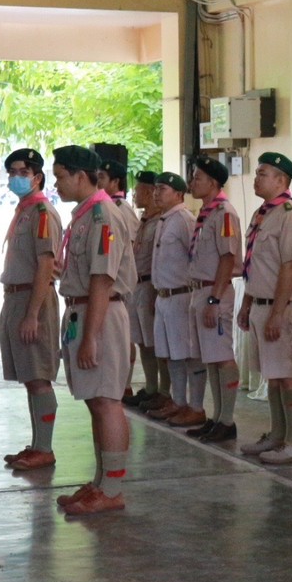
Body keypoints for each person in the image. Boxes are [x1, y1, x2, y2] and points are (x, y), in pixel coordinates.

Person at [50, 145, 132, 517]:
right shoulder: (84, 214)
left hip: (101, 314)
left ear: (81, 176)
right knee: (95, 401)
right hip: (83, 311)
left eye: (60, 176)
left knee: (107, 401)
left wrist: (91, 337)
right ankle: (101, 481)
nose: (56, 184)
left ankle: (112, 488)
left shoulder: (103, 215)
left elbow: (102, 279)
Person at [236, 152, 292, 459]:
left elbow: (290, 267)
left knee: (288, 373)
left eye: (262, 174)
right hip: (261, 304)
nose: (256, 178)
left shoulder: (290, 216)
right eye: (256, 173)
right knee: (273, 374)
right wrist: (247, 303)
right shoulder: (262, 214)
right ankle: (277, 435)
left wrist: (278, 314)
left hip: (282, 306)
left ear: (281, 180)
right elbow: (255, 265)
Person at [0, 148, 64, 472]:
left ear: (37, 177)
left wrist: (32, 314)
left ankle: (45, 448)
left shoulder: (42, 213)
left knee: (39, 376)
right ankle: (37, 444)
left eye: (22, 172)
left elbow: (46, 265)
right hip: (16, 298)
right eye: (11, 172)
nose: (16, 178)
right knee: (29, 376)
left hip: (32, 299)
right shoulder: (24, 211)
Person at [183, 156, 238, 434]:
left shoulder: (225, 213)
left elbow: (228, 258)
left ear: (213, 183)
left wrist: (214, 299)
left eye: (198, 178)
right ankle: (216, 418)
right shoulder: (206, 214)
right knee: (211, 358)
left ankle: (227, 420)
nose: (192, 182)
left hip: (215, 291)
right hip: (200, 290)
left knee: (222, 355)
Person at [143, 172, 198, 422]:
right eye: (156, 189)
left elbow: (195, 257)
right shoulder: (164, 220)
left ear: (178, 194)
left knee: (184, 354)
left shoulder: (185, 219)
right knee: (168, 354)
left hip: (180, 295)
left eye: (162, 189)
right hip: (163, 296)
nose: (156, 193)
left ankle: (193, 406)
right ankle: (178, 401)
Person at [92, 143, 140, 404]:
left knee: (124, 339)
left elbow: (126, 248)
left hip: (119, 287)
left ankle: (125, 384)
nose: (97, 182)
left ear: (115, 182)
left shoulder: (121, 210)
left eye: (102, 178)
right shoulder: (104, 207)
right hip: (108, 289)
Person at [127, 170, 167, 408]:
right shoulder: (143, 220)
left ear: (152, 192)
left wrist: (154, 290)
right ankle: (151, 387)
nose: (135, 194)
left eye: (140, 190)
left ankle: (163, 391)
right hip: (137, 285)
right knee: (143, 341)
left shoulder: (160, 221)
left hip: (150, 285)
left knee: (156, 343)